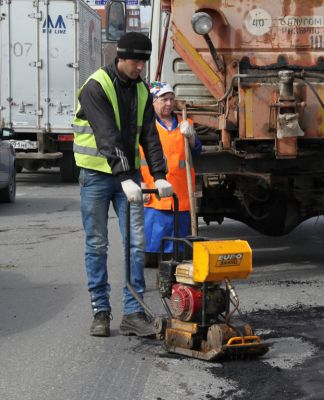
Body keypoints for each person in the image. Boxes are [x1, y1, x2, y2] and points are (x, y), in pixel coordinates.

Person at [73, 32, 173, 337]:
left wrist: (158, 174)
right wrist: (126, 177)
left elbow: (149, 136)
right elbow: (107, 135)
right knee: (97, 245)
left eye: (144, 61)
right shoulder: (95, 87)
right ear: (120, 57)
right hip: (96, 176)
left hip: (127, 178)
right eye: (136, 61)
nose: (140, 67)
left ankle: (133, 312)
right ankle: (100, 312)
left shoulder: (142, 90)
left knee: (136, 244)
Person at [140, 82, 202, 268]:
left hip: (181, 195)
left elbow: (196, 151)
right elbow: (135, 158)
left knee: (178, 245)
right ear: (153, 101)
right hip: (154, 196)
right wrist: (140, 182)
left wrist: (191, 137)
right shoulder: (146, 127)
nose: (169, 103)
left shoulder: (185, 124)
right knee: (153, 241)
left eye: (172, 99)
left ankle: (175, 273)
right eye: (164, 99)